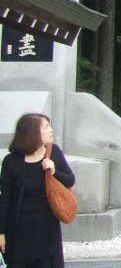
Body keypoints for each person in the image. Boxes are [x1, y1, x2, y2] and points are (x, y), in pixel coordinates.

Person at [0, 113, 75, 267]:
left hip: (47, 233)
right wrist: (1, 233)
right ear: (32, 131)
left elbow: (70, 180)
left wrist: (54, 171)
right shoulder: (11, 162)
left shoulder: (53, 152)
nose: (51, 130)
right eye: (46, 127)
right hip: (18, 233)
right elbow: (5, 199)